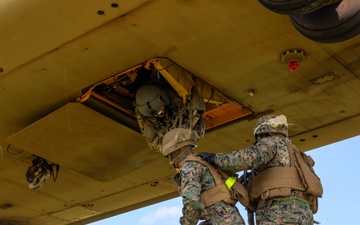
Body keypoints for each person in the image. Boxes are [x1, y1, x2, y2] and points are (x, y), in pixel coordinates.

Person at [198, 115, 322, 225]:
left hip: (280, 213)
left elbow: (247, 159)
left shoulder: (271, 142)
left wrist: (214, 158)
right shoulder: (296, 154)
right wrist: (235, 183)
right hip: (303, 215)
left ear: (262, 132)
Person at [161, 127, 245, 225]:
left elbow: (192, 205)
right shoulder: (202, 163)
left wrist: (186, 222)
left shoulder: (188, 167)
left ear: (171, 152)